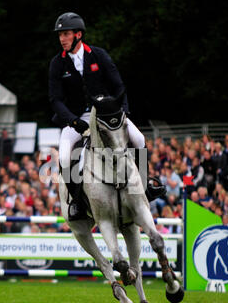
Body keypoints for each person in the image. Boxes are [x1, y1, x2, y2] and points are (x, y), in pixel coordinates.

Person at [48, 12, 165, 220]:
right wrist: (74, 122)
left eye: (65, 34)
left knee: (139, 139)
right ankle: (76, 202)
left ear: (78, 35)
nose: (62, 39)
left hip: (107, 114)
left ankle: (146, 186)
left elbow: (118, 86)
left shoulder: (98, 55)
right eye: (60, 35)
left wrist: (121, 114)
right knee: (65, 156)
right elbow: (56, 100)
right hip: (77, 119)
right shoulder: (57, 63)